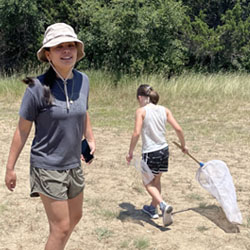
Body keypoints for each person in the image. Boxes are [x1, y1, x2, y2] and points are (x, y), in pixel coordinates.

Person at [5, 23, 95, 250]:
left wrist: (90, 138)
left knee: (75, 217)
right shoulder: (37, 87)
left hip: (73, 163)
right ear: (48, 54)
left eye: (70, 45)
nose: (66, 51)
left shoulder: (83, 80)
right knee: (61, 227)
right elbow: (22, 129)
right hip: (47, 165)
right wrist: (10, 167)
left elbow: (83, 111)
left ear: (77, 49)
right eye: (59, 47)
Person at [126, 84, 188, 227]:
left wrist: (130, 152)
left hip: (150, 152)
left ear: (140, 97)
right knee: (157, 180)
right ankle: (152, 209)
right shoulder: (164, 110)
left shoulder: (141, 111)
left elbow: (136, 133)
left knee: (147, 183)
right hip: (164, 150)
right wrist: (183, 145)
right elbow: (178, 128)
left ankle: (163, 205)